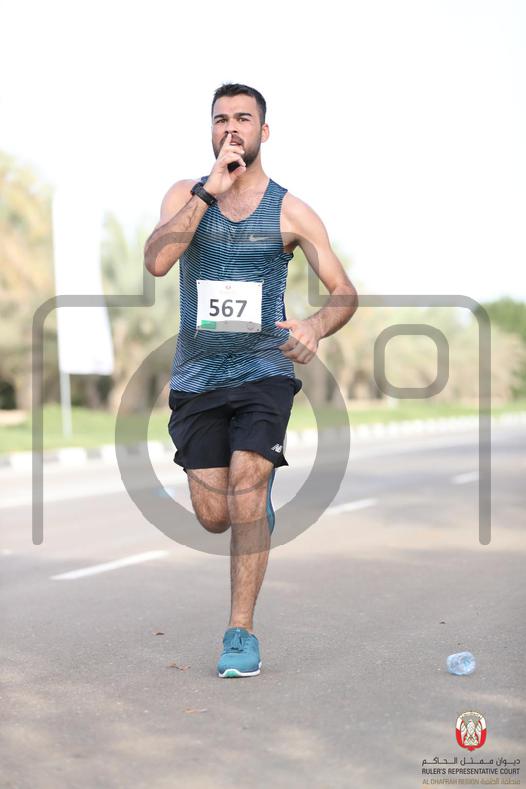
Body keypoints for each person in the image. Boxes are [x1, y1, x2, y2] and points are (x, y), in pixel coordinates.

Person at [144, 83, 358, 678]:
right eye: (221, 119)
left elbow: (344, 292)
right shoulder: (185, 194)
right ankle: (251, 509)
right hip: (197, 376)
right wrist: (206, 194)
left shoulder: (291, 211)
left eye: (243, 118)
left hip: (264, 371)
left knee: (247, 485)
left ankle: (240, 632)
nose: (231, 128)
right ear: (211, 131)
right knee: (215, 514)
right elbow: (157, 261)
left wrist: (315, 325)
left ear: (264, 132)